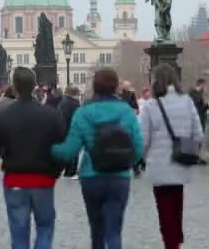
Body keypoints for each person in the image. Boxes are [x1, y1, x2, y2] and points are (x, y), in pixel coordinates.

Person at [52, 68, 143, 249]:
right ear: (116, 87)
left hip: (91, 176)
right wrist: (125, 162)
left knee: (97, 230)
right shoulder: (126, 112)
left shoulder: (84, 113)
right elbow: (139, 149)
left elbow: (69, 151)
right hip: (119, 177)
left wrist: (48, 149)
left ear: (94, 86)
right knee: (114, 231)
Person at [0, 67, 65, 249]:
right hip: (43, 179)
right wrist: (55, 172)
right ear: (35, 86)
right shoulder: (51, 115)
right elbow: (62, 148)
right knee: (45, 227)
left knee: (18, 232)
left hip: (15, 179)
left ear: (14, 86)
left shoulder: (3, 116)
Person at [141, 64, 204, 249]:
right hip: (182, 161)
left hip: (159, 165)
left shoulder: (151, 105)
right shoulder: (187, 101)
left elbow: (143, 139)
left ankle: (171, 243)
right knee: (177, 206)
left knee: (165, 209)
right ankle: (176, 240)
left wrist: (145, 158)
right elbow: (198, 134)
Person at [58, 85, 82, 179]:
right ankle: (72, 171)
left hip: (64, 129)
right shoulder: (74, 103)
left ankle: (67, 170)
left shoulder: (63, 102)